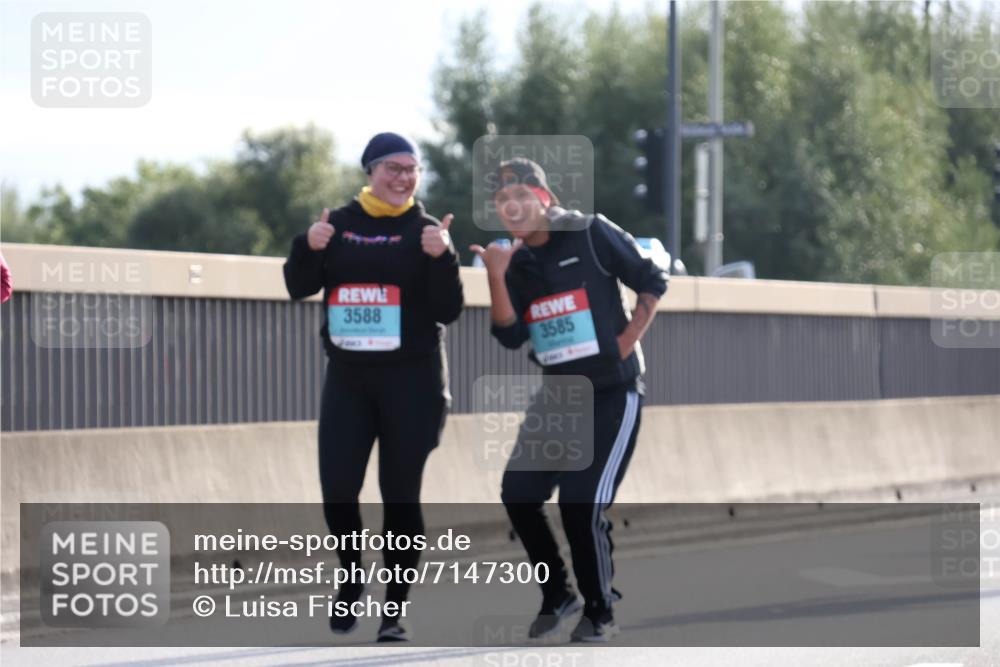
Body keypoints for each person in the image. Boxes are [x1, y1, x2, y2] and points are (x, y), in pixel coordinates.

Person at [470, 158, 668, 642]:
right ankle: (559, 592)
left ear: (545, 197)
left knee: (581, 502)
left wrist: (626, 341)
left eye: (522, 195)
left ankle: (600, 611)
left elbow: (652, 280)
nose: (512, 206)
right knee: (519, 493)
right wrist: (496, 276)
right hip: (558, 395)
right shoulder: (516, 263)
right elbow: (509, 336)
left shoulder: (590, 232)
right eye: (502, 200)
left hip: (613, 392)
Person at [283, 132, 464, 642]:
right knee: (338, 490)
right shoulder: (338, 225)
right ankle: (351, 576)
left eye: (411, 169)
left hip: (414, 382)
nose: (403, 177)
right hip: (350, 379)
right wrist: (306, 246)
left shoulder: (427, 230)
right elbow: (298, 286)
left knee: (400, 496)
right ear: (370, 171)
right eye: (392, 168)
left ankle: (394, 610)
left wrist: (443, 257)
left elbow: (448, 310)